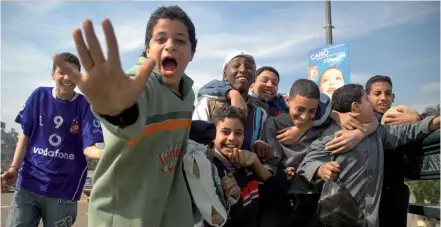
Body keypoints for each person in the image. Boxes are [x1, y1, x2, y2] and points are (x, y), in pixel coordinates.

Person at [54, 5, 198, 227]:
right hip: (123, 215)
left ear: (192, 52)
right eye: (161, 39)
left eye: (180, 41)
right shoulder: (139, 84)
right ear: (148, 48)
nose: (170, 45)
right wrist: (119, 110)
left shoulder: (187, 92)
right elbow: (129, 121)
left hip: (168, 212)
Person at [297, 84, 440, 227]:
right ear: (356, 107)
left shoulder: (378, 133)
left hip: (370, 219)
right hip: (340, 217)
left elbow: (405, 131)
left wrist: (434, 122)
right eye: (366, 99)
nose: (371, 102)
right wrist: (321, 169)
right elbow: (306, 165)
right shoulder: (330, 136)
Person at [2, 52, 104, 227]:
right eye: (61, 72)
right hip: (28, 184)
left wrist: (112, 152)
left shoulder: (85, 105)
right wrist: (13, 169)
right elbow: (25, 137)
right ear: (53, 75)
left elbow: (89, 148)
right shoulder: (39, 96)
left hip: (63, 191)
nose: (67, 77)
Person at [260, 79, 377, 227]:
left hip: (312, 197)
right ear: (288, 101)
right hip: (280, 195)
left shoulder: (323, 122)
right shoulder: (273, 123)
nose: (304, 117)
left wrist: (357, 132)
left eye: (312, 111)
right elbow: (272, 162)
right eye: (299, 109)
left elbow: (374, 122)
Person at [364, 75, 422, 227]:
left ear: (393, 97)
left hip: (397, 192)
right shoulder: (362, 120)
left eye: (388, 93)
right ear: (367, 97)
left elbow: (427, 124)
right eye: (377, 94)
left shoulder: (403, 116)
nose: (383, 98)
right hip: (370, 195)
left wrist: (417, 118)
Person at [210, 105, 272, 227]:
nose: (232, 138)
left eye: (238, 133)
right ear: (213, 133)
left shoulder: (247, 160)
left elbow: (274, 193)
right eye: (225, 132)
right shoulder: (208, 169)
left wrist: (255, 162)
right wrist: (233, 198)